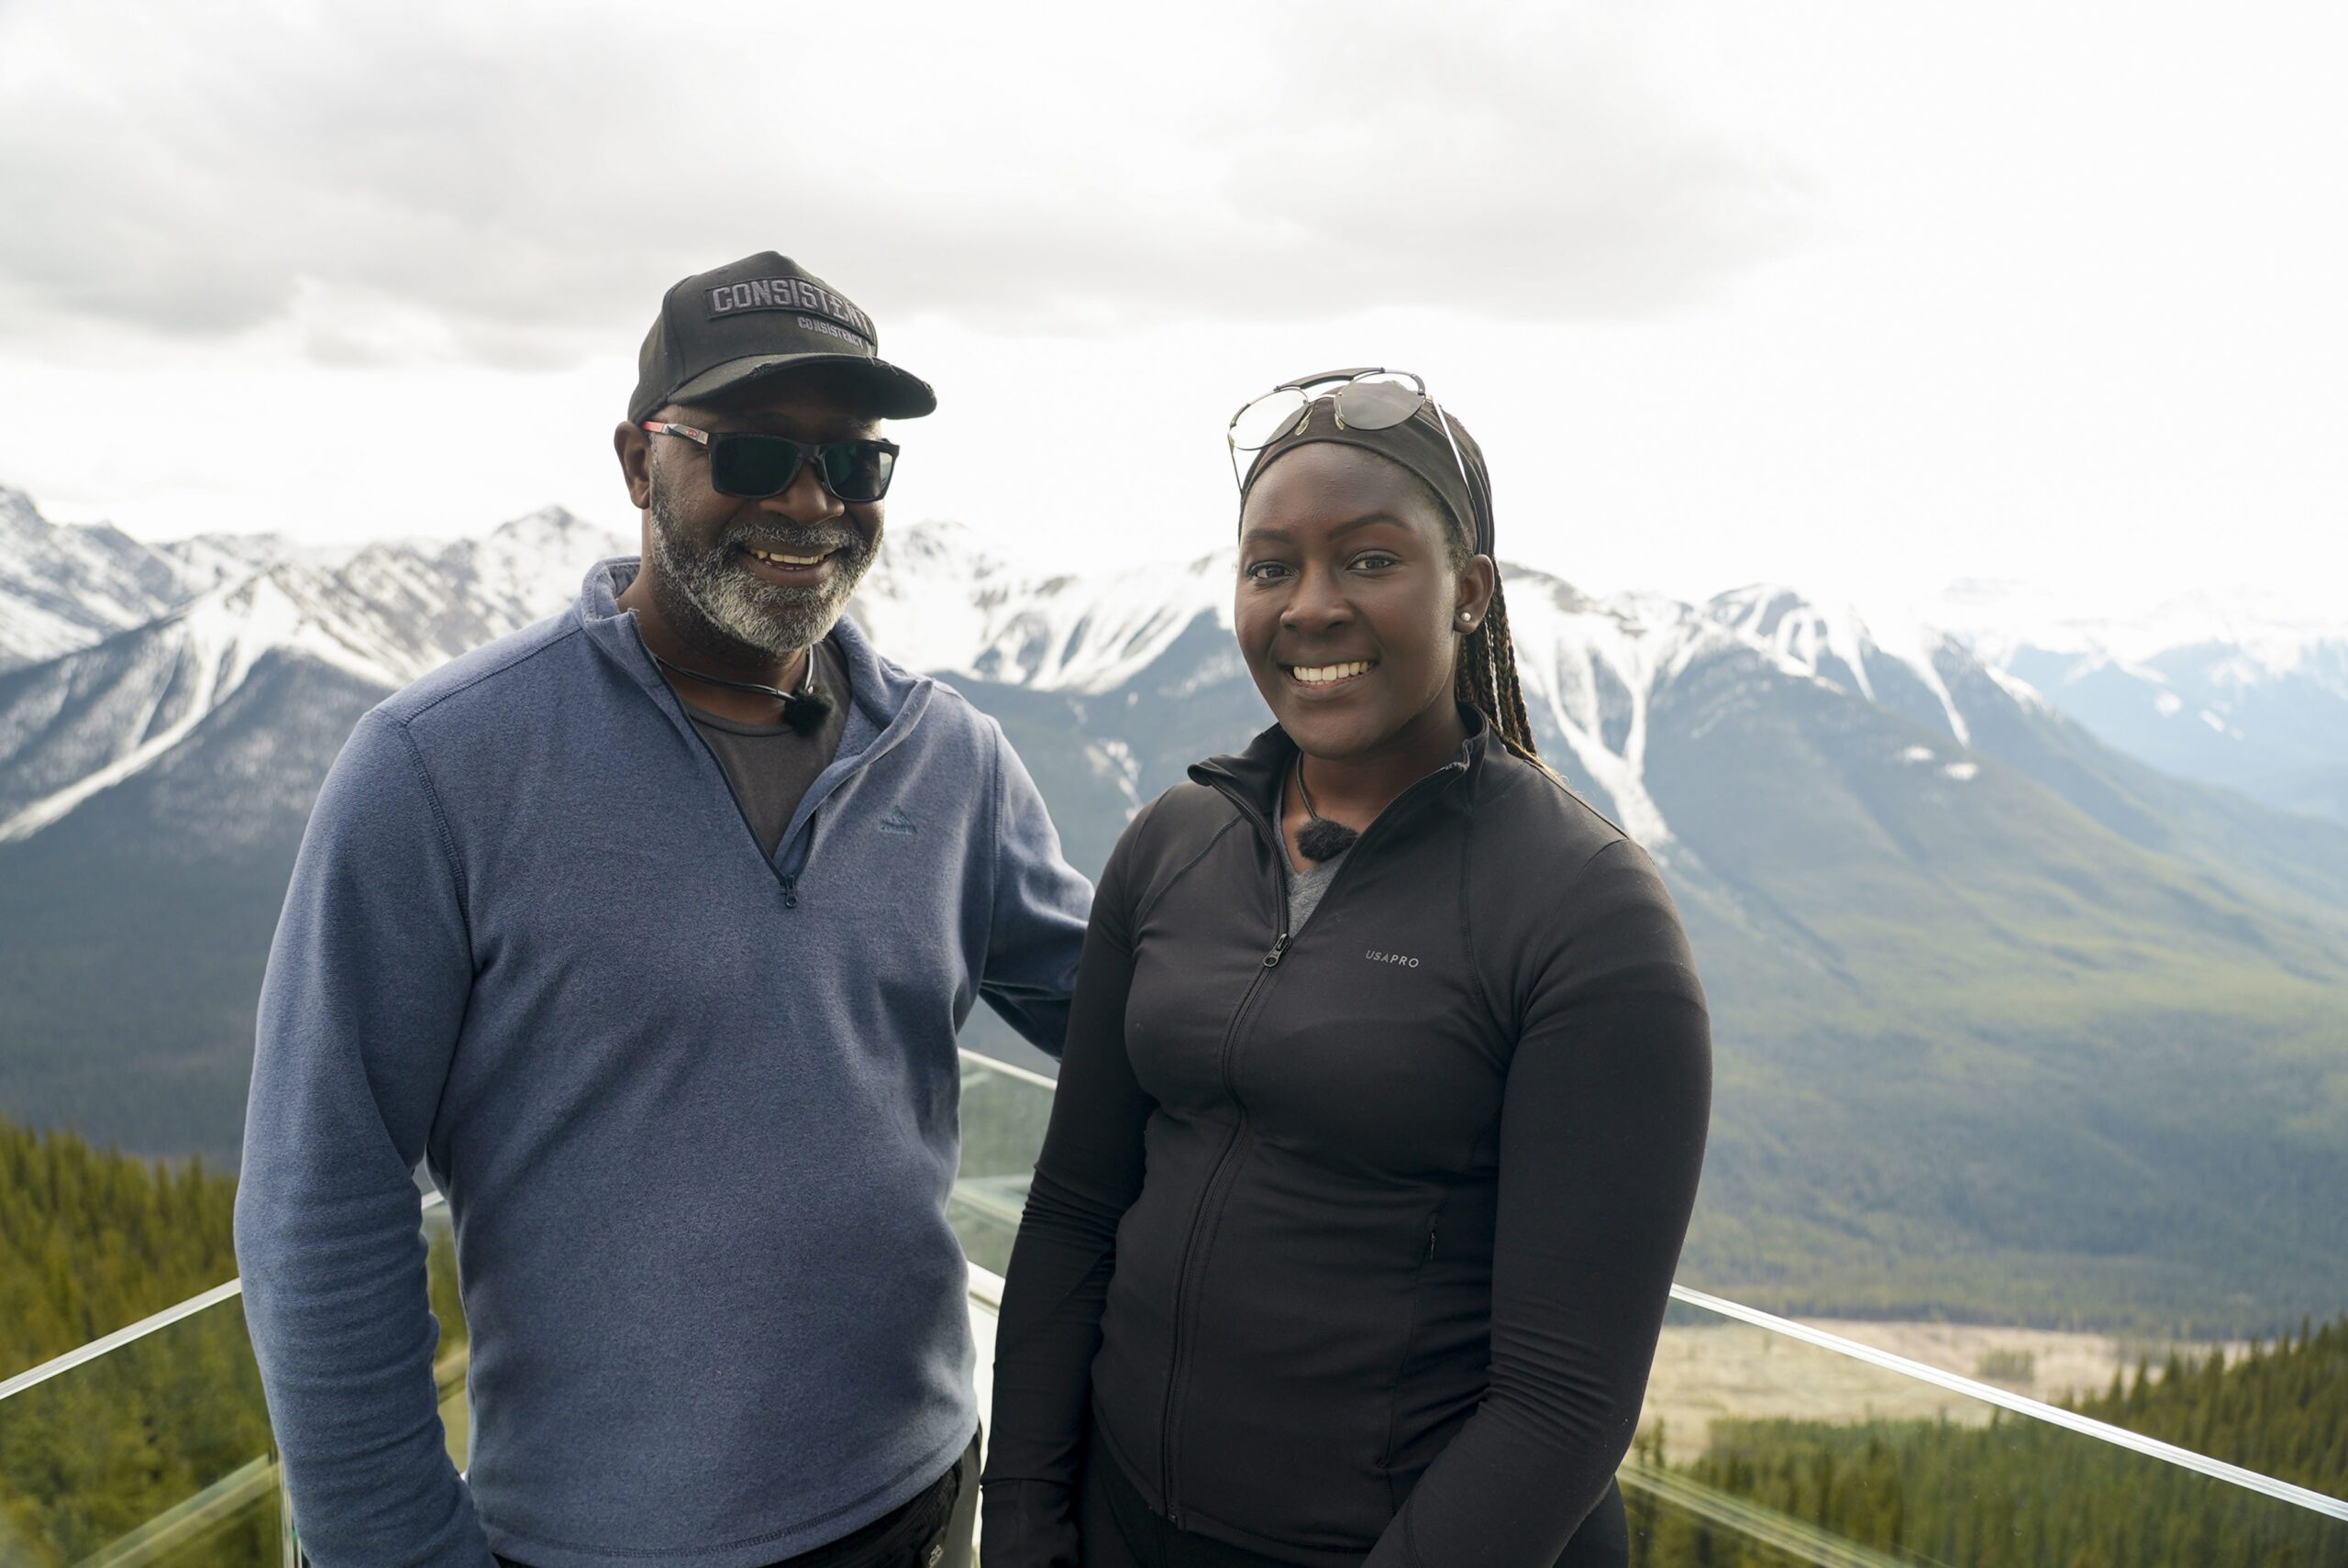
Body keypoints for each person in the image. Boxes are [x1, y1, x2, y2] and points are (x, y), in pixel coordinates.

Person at [236, 252, 1091, 1568]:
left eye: (855, 465)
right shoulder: (439, 767)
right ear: (640, 463)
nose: (810, 501)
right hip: (597, 1540)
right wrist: (395, 1547)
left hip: (924, 1497)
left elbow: (1142, 1010)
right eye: (752, 454)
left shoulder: (952, 758)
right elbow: (319, 1195)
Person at [980, 370, 1711, 1567]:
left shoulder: (1585, 914)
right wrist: (1020, 1519)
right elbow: (1072, 1215)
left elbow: (1561, 1405)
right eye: (1272, 566)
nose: (1311, 605)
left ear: (1469, 591)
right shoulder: (1174, 843)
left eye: (1369, 559)